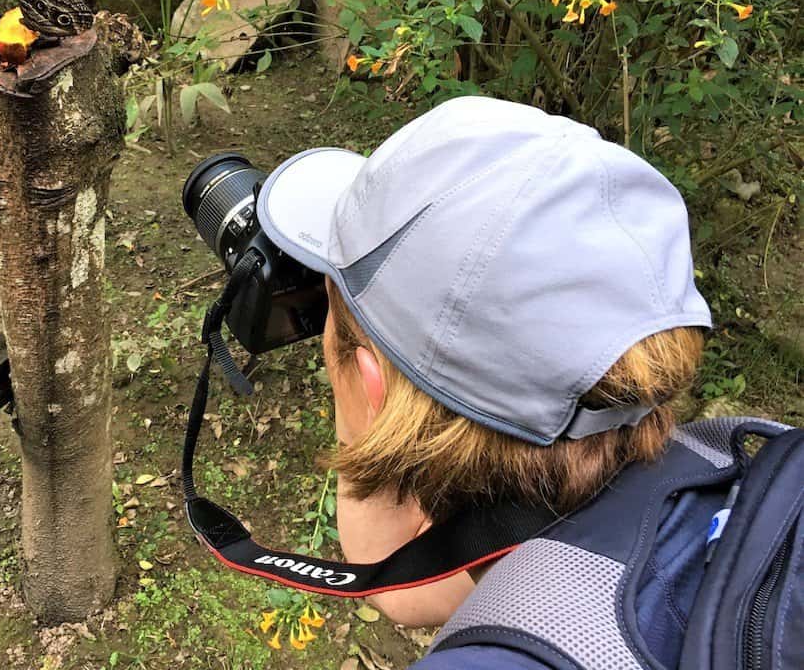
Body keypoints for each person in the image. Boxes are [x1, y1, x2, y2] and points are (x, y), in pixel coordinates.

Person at [254, 95, 718, 668]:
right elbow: (421, 586)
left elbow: (383, 562)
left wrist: (364, 442)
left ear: (374, 388)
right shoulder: (719, 478)